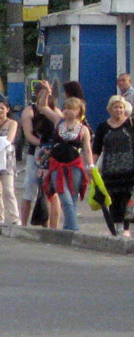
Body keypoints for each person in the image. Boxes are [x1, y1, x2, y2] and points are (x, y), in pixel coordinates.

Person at [37, 91, 94, 232]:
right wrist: (47, 92)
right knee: (65, 198)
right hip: (56, 165)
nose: (68, 111)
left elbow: (87, 150)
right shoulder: (58, 121)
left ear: (79, 111)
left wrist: (91, 166)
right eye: (66, 108)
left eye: (72, 108)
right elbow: (43, 107)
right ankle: (75, 230)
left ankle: (68, 231)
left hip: (74, 166)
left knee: (72, 200)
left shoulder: (83, 129)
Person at [93, 94, 134, 237]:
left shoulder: (130, 124)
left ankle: (126, 228)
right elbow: (96, 148)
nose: (119, 110)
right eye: (116, 107)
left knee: (127, 198)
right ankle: (115, 227)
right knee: (112, 198)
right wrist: (92, 167)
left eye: (121, 107)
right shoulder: (103, 127)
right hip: (110, 169)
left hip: (129, 169)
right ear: (110, 109)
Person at [21, 81, 58, 227]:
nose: (46, 96)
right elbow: (28, 135)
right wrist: (42, 146)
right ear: (37, 94)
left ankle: (53, 227)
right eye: (43, 93)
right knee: (30, 187)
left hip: (53, 154)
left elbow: (60, 126)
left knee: (52, 191)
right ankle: (23, 224)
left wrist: (52, 148)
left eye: (48, 93)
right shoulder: (30, 111)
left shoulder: (55, 111)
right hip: (35, 153)